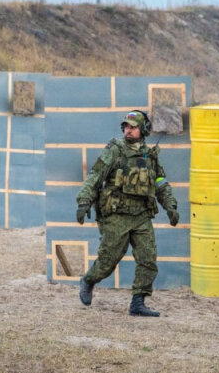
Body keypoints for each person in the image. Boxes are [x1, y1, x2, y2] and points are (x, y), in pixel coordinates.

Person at [75, 110, 179, 317]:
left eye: (133, 127)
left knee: (148, 259)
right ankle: (88, 280)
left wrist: (171, 206)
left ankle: (138, 302)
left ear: (144, 130)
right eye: (126, 127)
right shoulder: (115, 150)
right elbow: (96, 175)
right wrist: (84, 201)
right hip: (117, 215)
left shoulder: (150, 155)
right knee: (108, 260)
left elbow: (160, 182)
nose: (128, 131)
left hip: (141, 216)